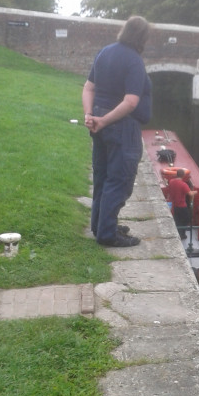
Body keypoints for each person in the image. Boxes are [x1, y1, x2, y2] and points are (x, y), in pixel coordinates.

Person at [82, 15, 152, 247]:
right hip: (122, 127)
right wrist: (103, 120)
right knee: (119, 179)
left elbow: (88, 88)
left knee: (102, 177)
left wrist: (90, 115)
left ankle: (101, 225)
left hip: (101, 124)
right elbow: (131, 102)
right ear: (142, 37)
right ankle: (107, 235)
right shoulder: (134, 61)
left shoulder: (105, 52)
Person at [168, 169, 197, 239]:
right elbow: (190, 194)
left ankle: (178, 233)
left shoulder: (171, 182)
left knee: (177, 220)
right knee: (187, 219)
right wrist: (195, 192)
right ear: (183, 176)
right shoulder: (183, 184)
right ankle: (182, 234)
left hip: (174, 206)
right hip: (182, 206)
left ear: (176, 174)